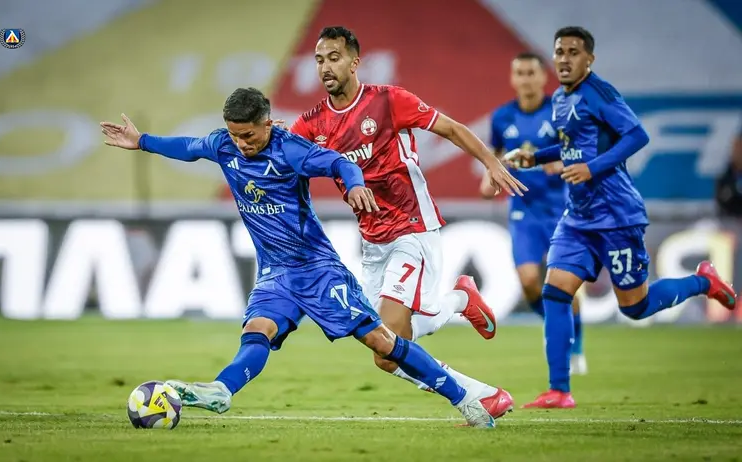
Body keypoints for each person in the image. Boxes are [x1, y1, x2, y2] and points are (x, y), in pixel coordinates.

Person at [100, 87, 500, 428]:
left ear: (267, 123)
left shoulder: (289, 150)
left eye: (248, 135)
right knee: (258, 329)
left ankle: (465, 398)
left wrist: (355, 184)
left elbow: (338, 162)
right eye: (236, 135)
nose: (242, 144)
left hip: (317, 270)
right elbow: (188, 148)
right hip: (276, 273)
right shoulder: (222, 145)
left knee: (382, 342)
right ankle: (222, 389)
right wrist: (142, 141)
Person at [289, 26, 526, 419]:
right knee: (385, 353)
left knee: (391, 332)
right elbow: (281, 156)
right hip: (372, 240)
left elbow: (451, 128)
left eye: (334, 58)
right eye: (319, 60)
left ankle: (476, 397)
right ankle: (461, 304)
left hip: (412, 227)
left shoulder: (388, 100)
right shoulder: (312, 124)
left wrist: (491, 162)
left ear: (354, 62)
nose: (326, 67)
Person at [506, 27, 738, 409]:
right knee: (555, 292)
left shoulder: (600, 92)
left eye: (573, 52)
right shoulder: (561, 98)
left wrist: (592, 169)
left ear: (589, 59)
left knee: (635, 307)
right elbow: (570, 146)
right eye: (560, 51)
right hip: (578, 217)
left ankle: (703, 281)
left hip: (616, 216)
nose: (564, 58)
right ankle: (559, 391)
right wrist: (536, 157)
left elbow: (637, 135)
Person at [480, 51, 587, 375]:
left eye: (531, 73)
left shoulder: (560, 114)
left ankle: (575, 347)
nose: (525, 79)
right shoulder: (502, 118)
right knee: (529, 283)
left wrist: (561, 163)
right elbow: (495, 158)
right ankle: (555, 327)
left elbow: (581, 154)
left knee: (563, 284)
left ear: (543, 77)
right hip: (523, 212)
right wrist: (489, 179)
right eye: (520, 73)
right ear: (512, 79)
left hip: (560, 211)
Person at [715, 129, 742, 217]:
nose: (739, 152)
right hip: (730, 220)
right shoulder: (725, 178)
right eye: (736, 148)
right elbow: (722, 202)